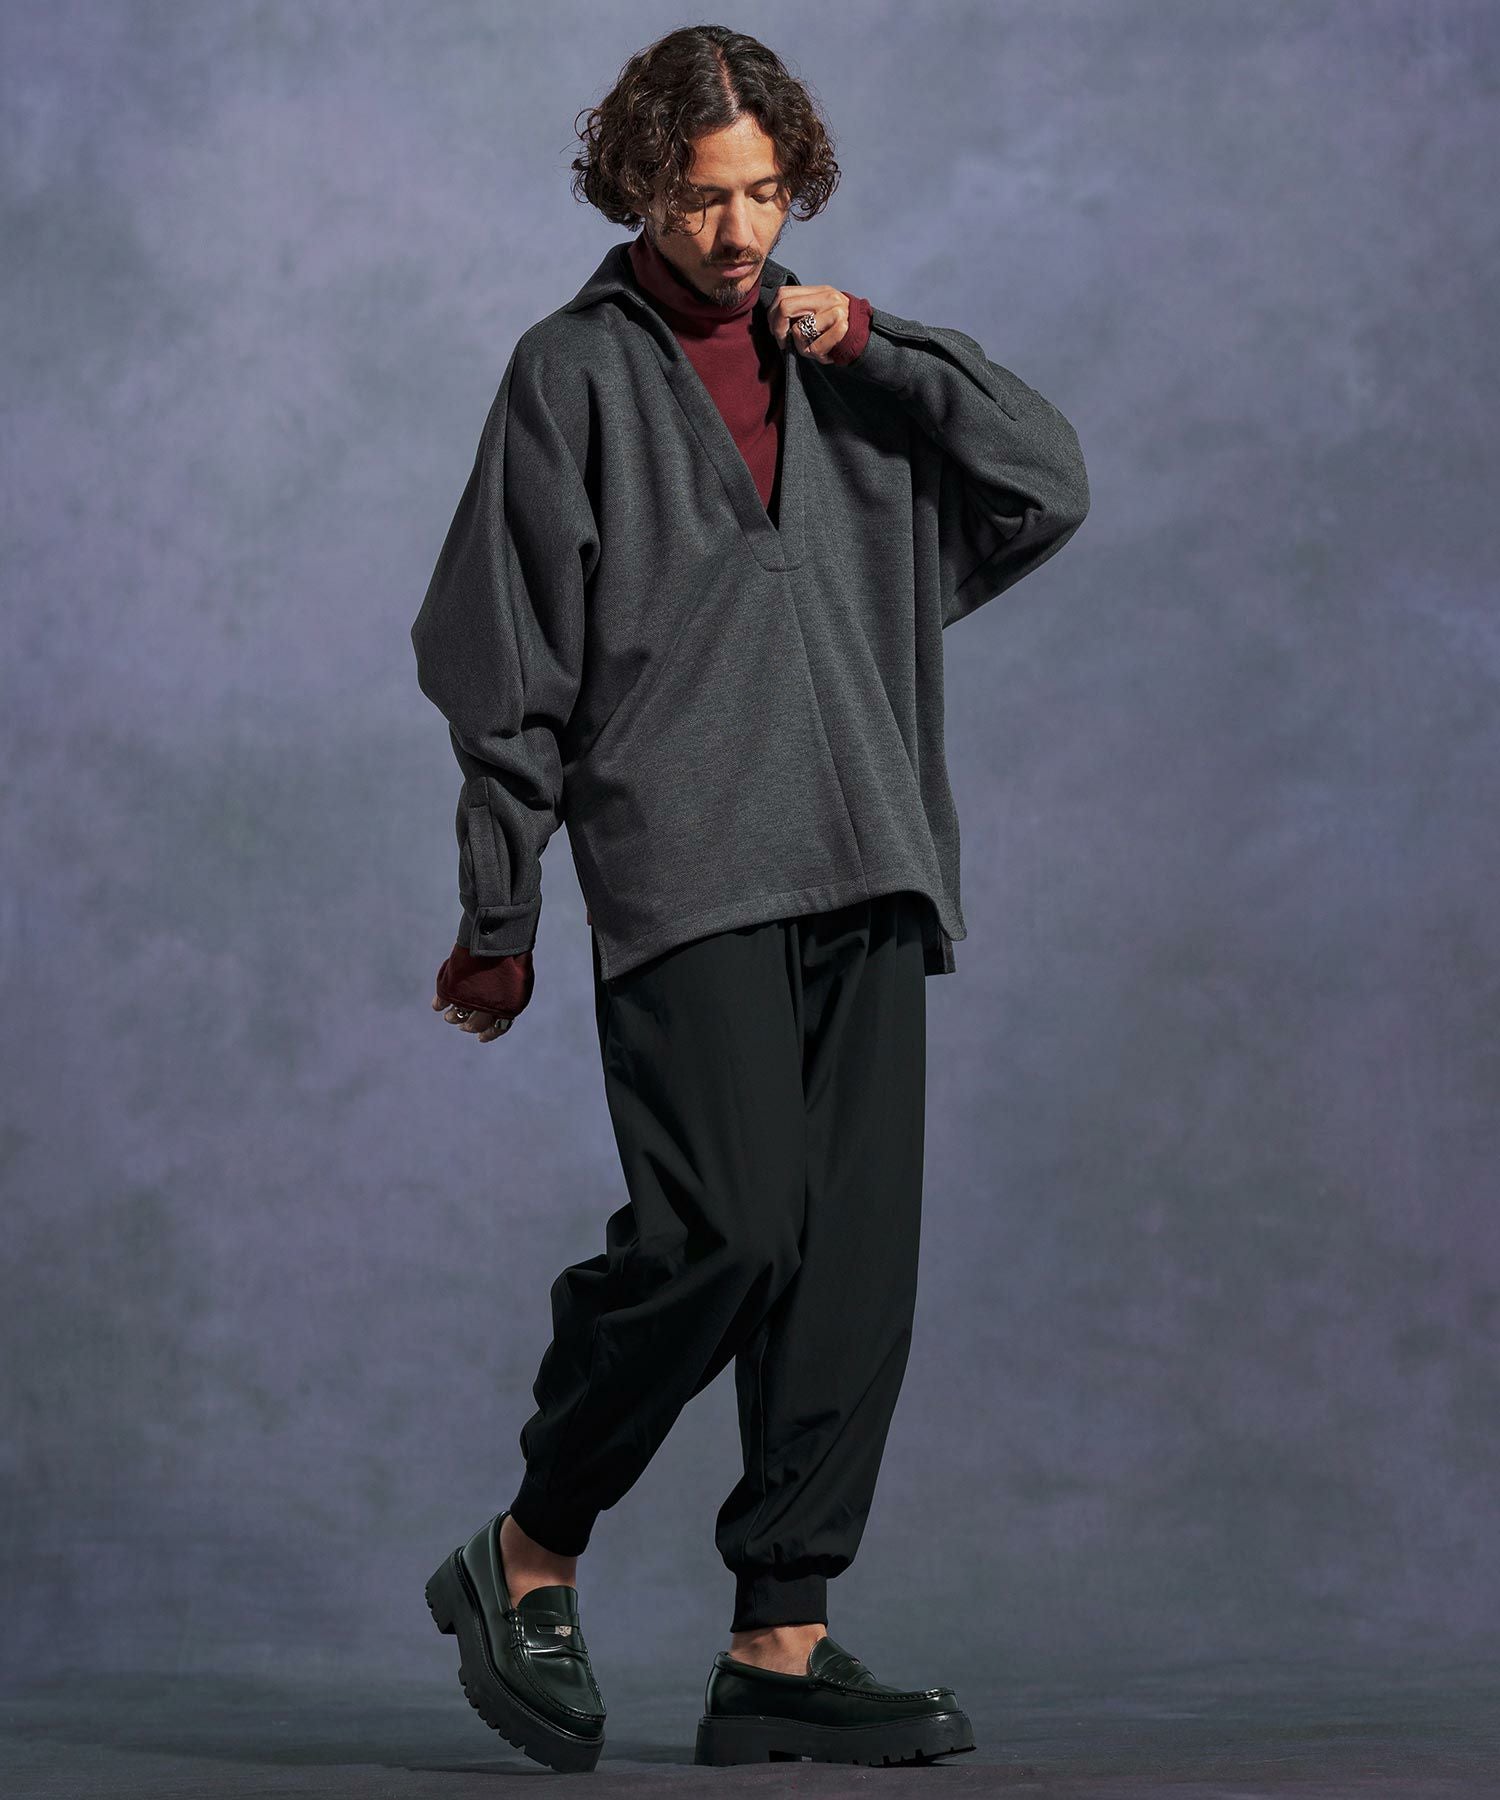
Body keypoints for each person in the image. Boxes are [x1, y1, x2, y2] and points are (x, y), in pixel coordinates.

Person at [414, 23, 1089, 1774]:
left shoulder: (846, 364)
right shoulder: (570, 375)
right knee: (728, 1232)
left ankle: (778, 1644)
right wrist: (501, 916)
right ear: (638, 188)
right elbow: (501, 662)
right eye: (702, 197)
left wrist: (879, 344)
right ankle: (528, 1549)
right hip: (687, 863)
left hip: (875, 853)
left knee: (850, 1266)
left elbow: (1043, 481)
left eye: (767, 194)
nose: (737, 233)